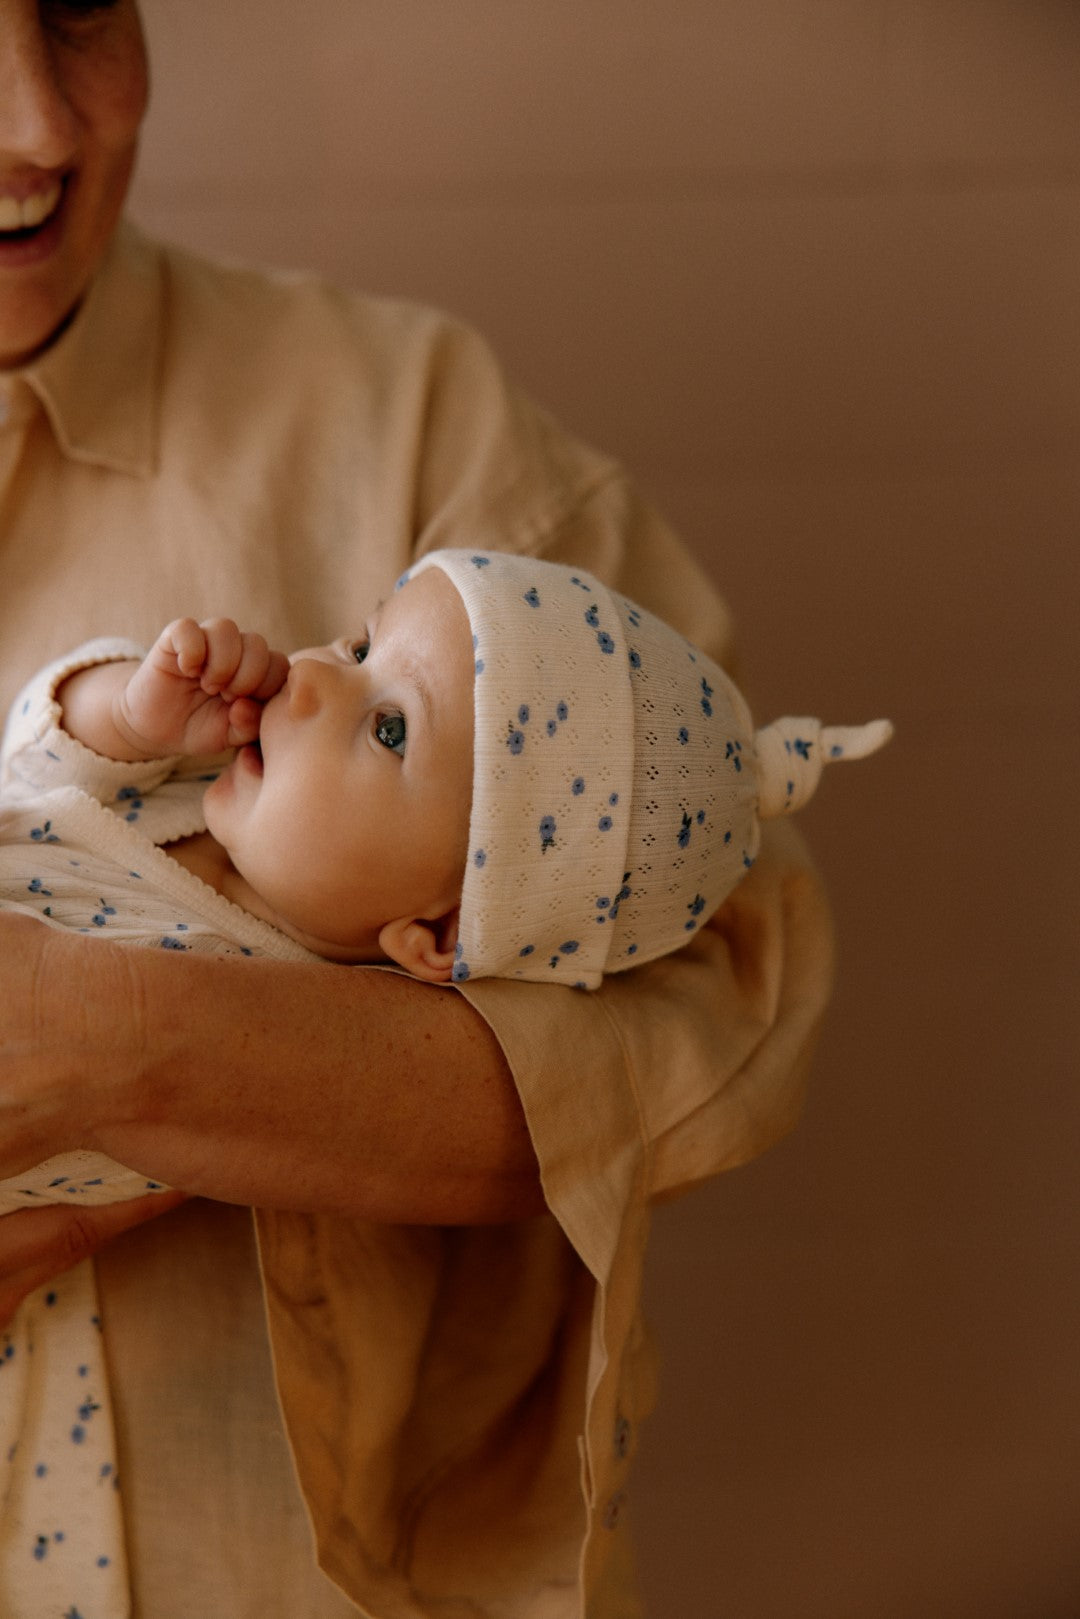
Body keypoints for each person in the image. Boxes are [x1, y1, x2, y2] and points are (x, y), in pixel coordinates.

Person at [0, 3, 837, 1615]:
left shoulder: (414, 427)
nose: (35, 125)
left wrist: (117, 1050)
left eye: (85, 4)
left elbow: (716, 1009)